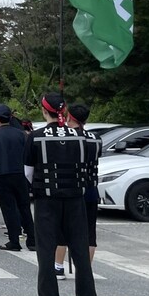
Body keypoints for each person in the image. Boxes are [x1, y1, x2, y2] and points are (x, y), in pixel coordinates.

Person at [24, 93, 96, 296]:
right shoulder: (80, 136)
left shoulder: (35, 137)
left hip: (47, 199)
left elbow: (28, 173)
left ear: (44, 111)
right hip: (75, 199)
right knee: (80, 248)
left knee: (46, 249)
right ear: (64, 112)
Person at [56, 103, 101, 280]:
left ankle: (58, 267)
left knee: (63, 228)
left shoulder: (68, 137)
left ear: (69, 117)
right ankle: (85, 270)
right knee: (89, 230)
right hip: (91, 187)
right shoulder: (96, 138)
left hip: (71, 187)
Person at [0, 104, 35, 252]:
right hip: (20, 174)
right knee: (24, 207)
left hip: (1, 174)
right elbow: (29, 155)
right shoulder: (22, 135)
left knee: (8, 208)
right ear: (11, 117)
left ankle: (14, 240)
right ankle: (32, 240)